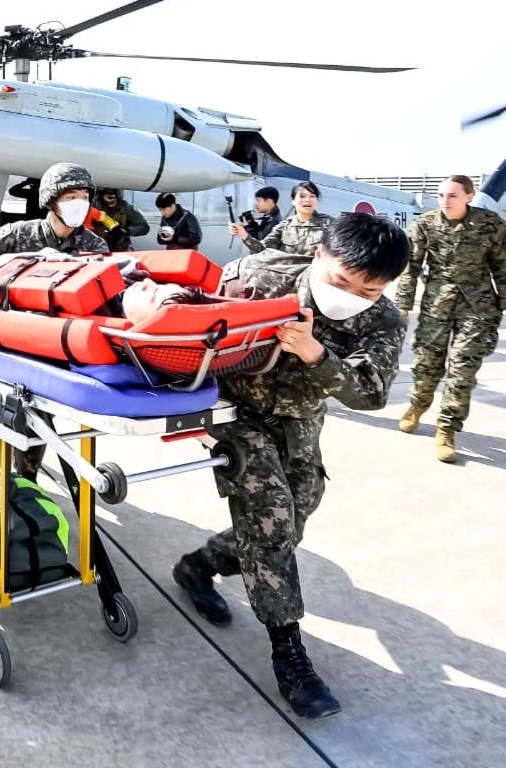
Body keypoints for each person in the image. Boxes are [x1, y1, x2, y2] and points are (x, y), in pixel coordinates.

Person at [170, 213, 409, 720]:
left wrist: (315, 352)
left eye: (369, 289)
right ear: (320, 253)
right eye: (342, 280)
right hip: (235, 412)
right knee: (272, 516)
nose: (351, 295)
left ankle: (199, 566)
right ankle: (290, 657)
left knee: (296, 515)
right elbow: (186, 316)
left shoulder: (383, 319)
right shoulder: (260, 275)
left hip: (301, 419)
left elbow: (370, 393)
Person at [0, 162, 107, 481]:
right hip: (19, 342)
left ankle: (24, 478)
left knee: (42, 417)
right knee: (20, 416)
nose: (80, 203)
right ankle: (22, 479)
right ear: (52, 200)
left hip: (63, 345)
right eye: (72, 196)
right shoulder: (20, 235)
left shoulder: (94, 246)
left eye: (84, 196)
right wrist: (20, 273)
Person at [395, 175, 506, 463]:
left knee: (462, 371)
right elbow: (411, 268)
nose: (445, 201)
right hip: (436, 307)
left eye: (452, 196)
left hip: (478, 309)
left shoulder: (491, 225)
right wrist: (403, 305)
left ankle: (446, 428)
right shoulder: (425, 224)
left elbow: (503, 267)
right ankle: (418, 405)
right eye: (441, 195)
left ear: (469, 196)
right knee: (426, 365)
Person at [234, 180, 330, 255]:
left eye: (312, 196)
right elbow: (262, 249)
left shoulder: (329, 225)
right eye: (302, 196)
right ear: (293, 200)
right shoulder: (284, 226)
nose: (308, 200)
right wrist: (244, 234)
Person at [91, 187, 150, 251]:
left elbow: (144, 227)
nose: (110, 198)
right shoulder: (94, 205)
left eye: (112, 196)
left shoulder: (126, 208)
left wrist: (125, 231)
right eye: (107, 195)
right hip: (97, 247)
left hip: (120, 247)